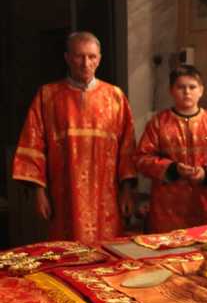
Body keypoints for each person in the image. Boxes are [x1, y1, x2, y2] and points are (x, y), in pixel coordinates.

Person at [12, 31, 136, 243]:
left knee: (108, 252)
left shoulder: (115, 97)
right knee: (67, 253)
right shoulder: (48, 96)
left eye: (92, 56)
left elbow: (127, 148)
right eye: (79, 56)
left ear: (99, 59)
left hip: (107, 197)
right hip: (64, 196)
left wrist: (127, 191)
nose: (86, 63)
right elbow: (33, 145)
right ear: (67, 58)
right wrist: (39, 193)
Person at [134, 65, 207, 233]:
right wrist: (173, 168)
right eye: (181, 87)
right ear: (171, 90)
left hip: (206, 203)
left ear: (201, 90)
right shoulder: (158, 123)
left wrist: (206, 173)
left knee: (203, 246)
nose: (187, 92)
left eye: (192, 87)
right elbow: (141, 158)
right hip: (167, 207)